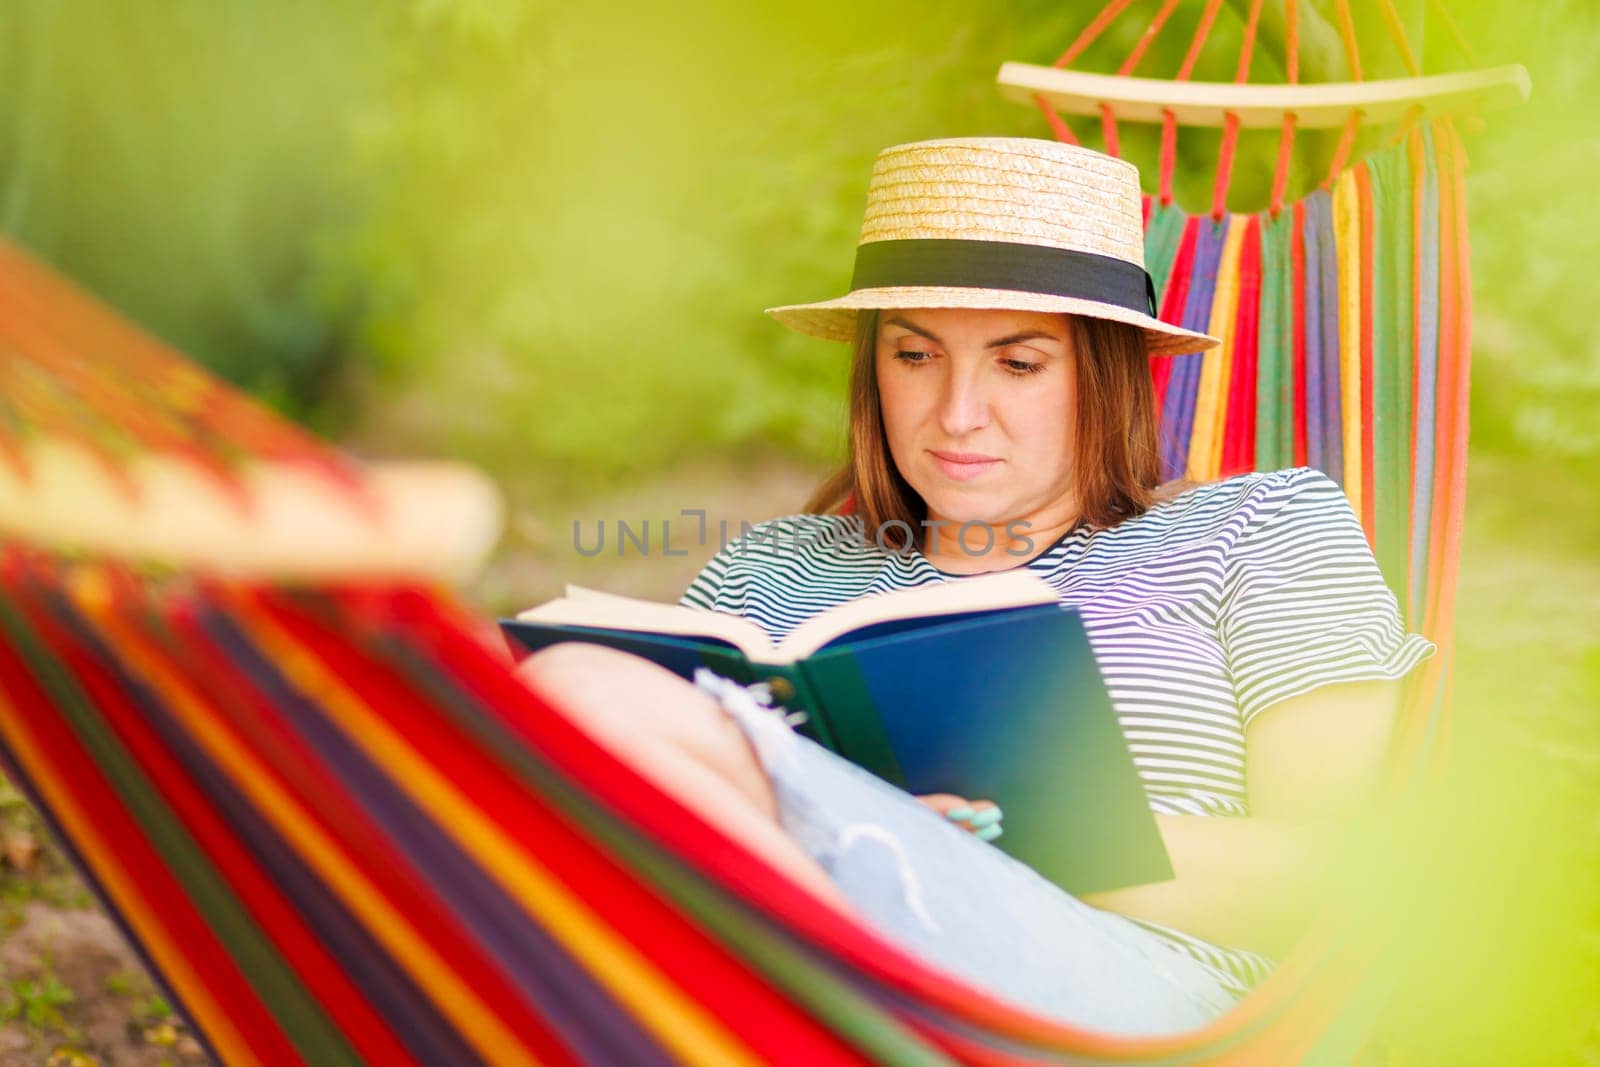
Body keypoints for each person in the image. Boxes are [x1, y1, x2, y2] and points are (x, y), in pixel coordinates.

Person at [518, 137, 1435, 1036]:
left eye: (1018, 363)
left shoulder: (1258, 529)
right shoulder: (775, 564)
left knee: (582, 693)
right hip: (766, 968)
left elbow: (1330, 881)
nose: (956, 414)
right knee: (550, 707)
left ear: (1106, 370)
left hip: (1114, 1002)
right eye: (915, 357)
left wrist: (991, 831)